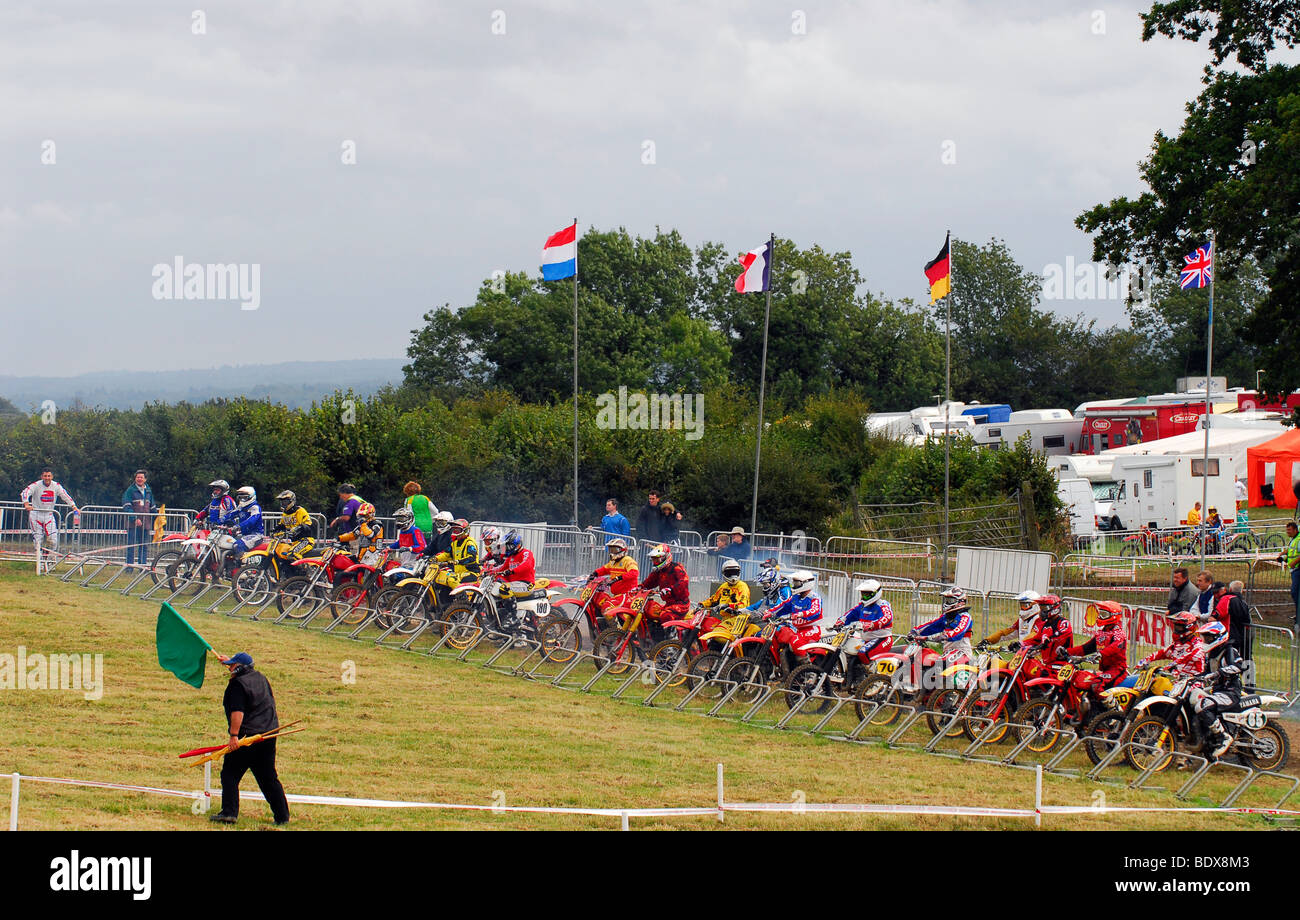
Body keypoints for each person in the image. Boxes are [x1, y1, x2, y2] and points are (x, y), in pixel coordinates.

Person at [209, 652, 289, 826]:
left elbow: (238, 712)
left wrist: (234, 736)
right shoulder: (260, 678)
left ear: (239, 667)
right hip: (268, 735)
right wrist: (227, 661)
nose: (229, 669)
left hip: (246, 738)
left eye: (232, 666)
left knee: (229, 774)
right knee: (268, 778)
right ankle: (282, 816)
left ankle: (229, 813)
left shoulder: (237, 685)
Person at [1188, 621, 1243, 759]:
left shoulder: (1230, 651)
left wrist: (1219, 673)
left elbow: (1239, 667)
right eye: (1204, 637)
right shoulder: (1212, 653)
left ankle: (1223, 737)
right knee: (1191, 697)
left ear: (1218, 637)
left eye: (1208, 637)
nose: (1205, 640)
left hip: (1230, 691)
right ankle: (1204, 742)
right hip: (1218, 691)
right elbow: (1205, 672)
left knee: (1203, 705)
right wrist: (1192, 678)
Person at [20, 468, 80, 563]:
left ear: (52, 476)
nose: (47, 478)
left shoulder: (56, 486)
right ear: (42, 477)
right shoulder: (36, 485)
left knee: (53, 539)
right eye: (45, 476)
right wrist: (26, 503)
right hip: (36, 514)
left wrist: (74, 506)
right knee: (38, 539)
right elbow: (25, 492)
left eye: (49, 476)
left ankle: (49, 560)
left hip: (49, 514)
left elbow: (65, 495)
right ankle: (39, 562)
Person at [1063, 600, 1128, 689]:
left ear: (1114, 616)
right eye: (1100, 614)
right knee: (1081, 679)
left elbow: (1114, 647)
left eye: (1104, 615)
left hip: (1117, 669)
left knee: (1096, 685)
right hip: (1105, 669)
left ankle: (1112, 703)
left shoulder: (1119, 633)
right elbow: (1086, 648)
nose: (1100, 617)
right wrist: (1067, 652)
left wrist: (1099, 654)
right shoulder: (1102, 633)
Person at [639, 543, 691, 640]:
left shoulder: (676, 568)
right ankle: (655, 639)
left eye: (657, 559)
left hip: (681, 604)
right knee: (651, 612)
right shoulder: (659, 571)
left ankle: (672, 641)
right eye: (654, 559)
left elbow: (684, 581)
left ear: (666, 557)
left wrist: (671, 589)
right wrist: (640, 587)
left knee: (665, 616)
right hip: (669, 603)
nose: (655, 561)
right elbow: (649, 582)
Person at [910, 587, 974, 666]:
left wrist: (945, 636)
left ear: (960, 602)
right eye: (946, 600)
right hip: (948, 651)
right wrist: (916, 632)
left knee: (941, 665)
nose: (947, 603)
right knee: (928, 662)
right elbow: (932, 625)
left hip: (962, 652)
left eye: (950, 600)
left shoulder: (965, 617)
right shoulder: (945, 617)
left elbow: (959, 630)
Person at [836, 579, 895, 660]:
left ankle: (867, 672)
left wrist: (872, 625)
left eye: (867, 594)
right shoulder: (862, 606)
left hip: (882, 639)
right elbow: (851, 614)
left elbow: (887, 617)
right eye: (863, 594)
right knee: (849, 650)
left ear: (875, 593)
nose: (864, 597)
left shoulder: (883, 605)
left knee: (863, 653)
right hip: (866, 639)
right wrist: (840, 621)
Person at [1137, 611, 1206, 679]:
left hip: (1194, 680)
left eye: (1179, 627)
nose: (1176, 629)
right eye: (1175, 626)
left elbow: (1190, 656)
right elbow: (1162, 653)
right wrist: (1144, 661)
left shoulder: (1197, 644)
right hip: (1177, 680)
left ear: (1188, 627)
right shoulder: (1177, 644)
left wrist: (1170, 666)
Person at [590, 538, 640, 620]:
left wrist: (618, 578)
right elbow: (604, 569)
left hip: (628, 595)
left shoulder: (628, 560)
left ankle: (615, 630)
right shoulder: (613, 562)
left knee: (607, 606)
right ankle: (603, 626)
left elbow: (634, 573)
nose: (612, 552)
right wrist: (594, 574)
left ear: (622, 550)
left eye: (615, 549)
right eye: (611, 549)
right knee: (598, 601)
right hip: (617, 595)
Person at [1024, 594, 1074, 665]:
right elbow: (1036, 640)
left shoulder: (1064, 623)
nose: (1041, 611)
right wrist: (1021, 644)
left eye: (1045, 608)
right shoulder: (1045, 625)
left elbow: (1063, 633)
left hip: (1062, 663)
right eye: (1041, 608)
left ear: (1055, 608)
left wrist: (1049, 639)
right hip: (1048, 664)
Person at [219, 486, 264, 563]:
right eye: (240, 497)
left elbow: (251, 520)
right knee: (226, 544)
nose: (242, 500)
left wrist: (238, 526)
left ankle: (242, 566)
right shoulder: (241, 507)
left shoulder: (255, 507)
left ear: (251, 497)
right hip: (244, 534)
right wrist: (219, 521)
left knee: (237, 545)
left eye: (244, 498)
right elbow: (231, 514)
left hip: (256, 535)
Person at [121, 469, 156, 567]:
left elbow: (152, 506)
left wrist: (158, 516)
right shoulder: (130, 490)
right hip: (133, 524)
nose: (139, 479)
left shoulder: (148, 491)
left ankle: (142, 567)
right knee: (131, 546)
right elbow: (126, 506)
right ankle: (129, 568)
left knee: (144, 546)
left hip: (146, 523)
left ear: (145, 479)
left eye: (141, 477)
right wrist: (134, 518)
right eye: (137, 477)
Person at [269, 490, 315, 560]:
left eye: (285, 502)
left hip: (306, 540)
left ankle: (304, 570)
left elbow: (309, 526)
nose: (283, 504)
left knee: (292, 554)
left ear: (292, 501)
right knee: (281, 553)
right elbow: (282, 525)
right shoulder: (285, 514)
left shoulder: (300, 511)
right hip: (294, 542)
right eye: (282, 502)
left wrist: (299, 528)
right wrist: (274, 530)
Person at [1216, 579, 1251, 658]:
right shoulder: (1244, 603)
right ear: (1241, 591)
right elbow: (1247, 621)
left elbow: (1218, 614)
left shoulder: (1227, 599)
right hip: (1240, 635)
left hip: (1228, 633)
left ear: (1230, 589)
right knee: (1242, 656)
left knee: (1227, 656)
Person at [1280, 521, 1300, 625]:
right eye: (1286, 530)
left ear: (1295, 530)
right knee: (1295, 593)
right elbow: (1292, 550)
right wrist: (1283, 554)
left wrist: (1293, 563)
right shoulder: (1294, 539)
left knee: (1295, 593)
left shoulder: (1299, 539)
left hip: (1297, 569)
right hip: (1294, 570)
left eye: (1289, 530)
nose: (1287, 532)